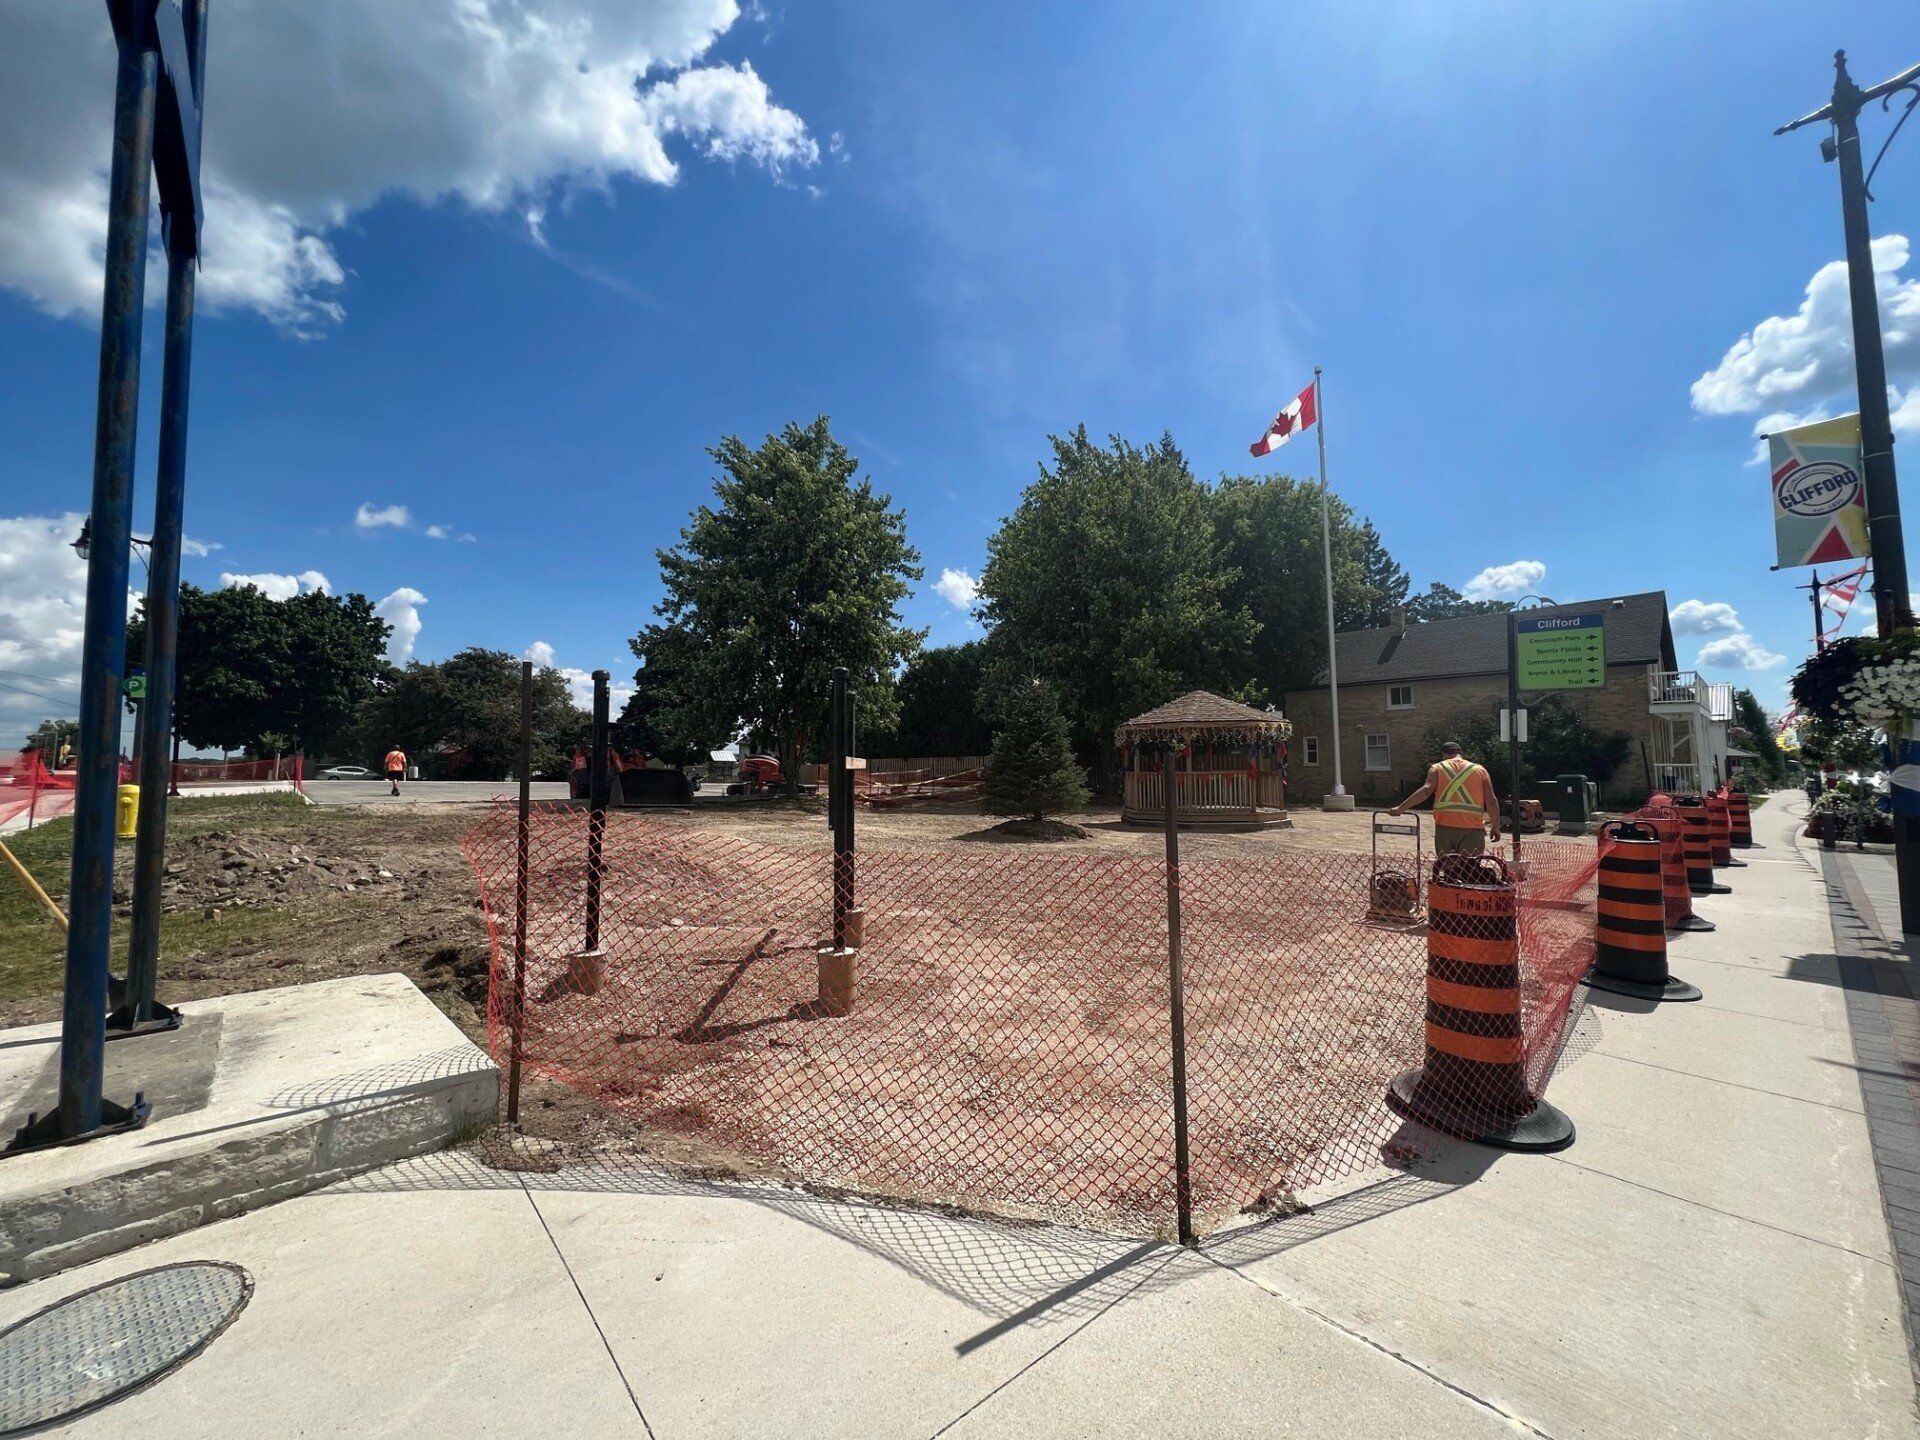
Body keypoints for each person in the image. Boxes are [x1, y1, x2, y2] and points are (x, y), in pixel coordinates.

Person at [1390, 740, 1501, 855]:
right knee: (1470, 869)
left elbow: (1426, 790)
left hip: (1445, 827)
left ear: (1443, 754)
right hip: (1473, 829)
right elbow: (1491, 801)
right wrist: (1495, 827)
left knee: (1448, 867)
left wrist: (1400, 808)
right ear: (1461, 754)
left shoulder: (1437, 768)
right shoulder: (1480, 770)